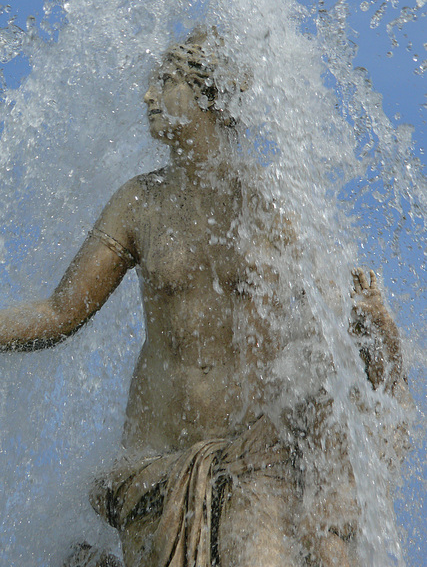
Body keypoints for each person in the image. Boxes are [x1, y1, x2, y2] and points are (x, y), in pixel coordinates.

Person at [0, 29, 406, 567]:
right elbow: (59, 312)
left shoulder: (270, 205)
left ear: (208, 93)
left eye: (165, 82)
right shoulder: (137, 203)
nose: (147, 97)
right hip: (154, 461)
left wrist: (372, 325)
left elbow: (329, 329)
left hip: (254, 463)